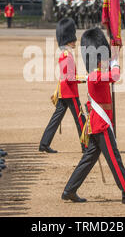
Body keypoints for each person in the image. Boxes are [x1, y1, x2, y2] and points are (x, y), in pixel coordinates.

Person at [61, 27, 125, 204]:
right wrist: (115, 60)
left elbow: (110, 67)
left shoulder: (98, 71)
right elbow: (115, 75)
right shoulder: (94, 75)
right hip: (101, 123)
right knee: (115, 159)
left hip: (99, 121)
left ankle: (69, 190)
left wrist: (116, 48)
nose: (105, 61)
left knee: (89, 158)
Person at [39, 18, 86, 153]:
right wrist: (85, 79)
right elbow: (70, 78)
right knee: (80, 119)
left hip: (64, 91)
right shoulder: (67, 56)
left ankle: (44, 143)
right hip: (70, 92)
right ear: (69, 39)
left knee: (56, 118)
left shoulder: (65, 54)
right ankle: (86, 146)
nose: (75, 41)